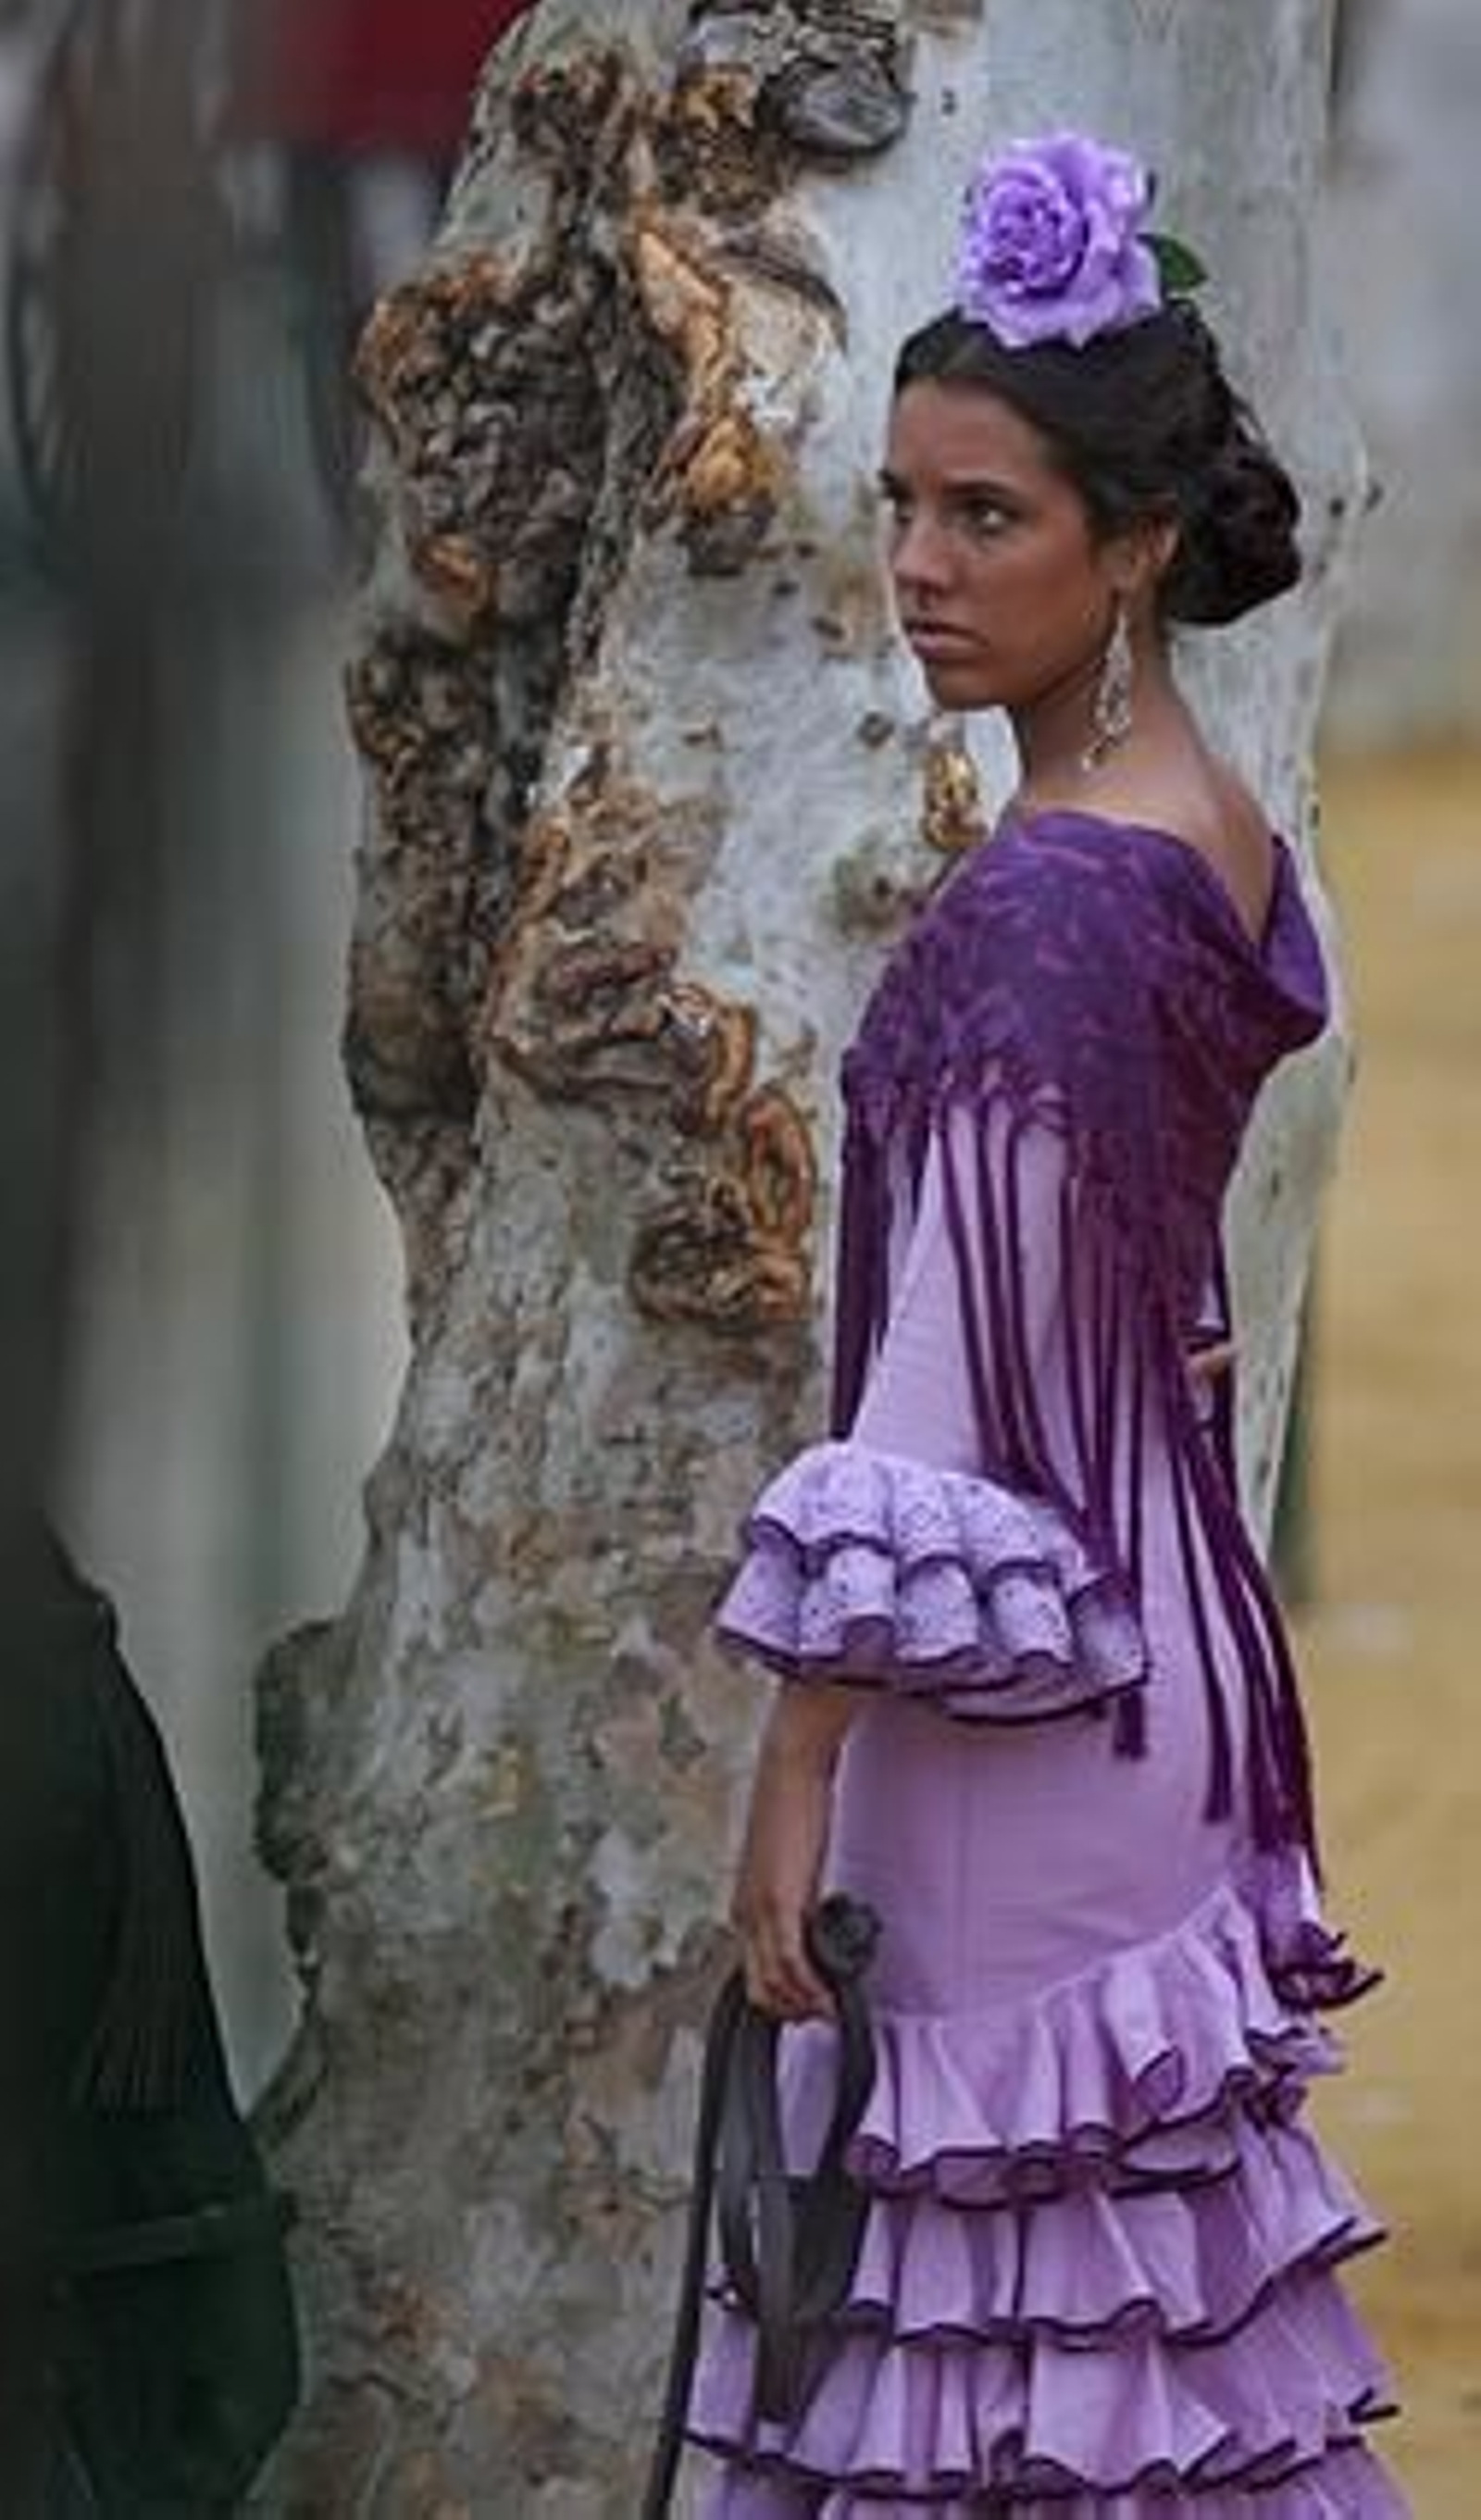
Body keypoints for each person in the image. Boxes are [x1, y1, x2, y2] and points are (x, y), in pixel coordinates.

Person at [687, 133, 1406, 2514]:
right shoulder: (1201, 823)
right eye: (899, 500)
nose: (913, 565)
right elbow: (1113, 1257)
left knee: (985, 2378)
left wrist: (795, 1760)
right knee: (1143, 2367)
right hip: (1156, 1656)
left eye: (985, 516)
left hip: (1010, 1722)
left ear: (1137, 547)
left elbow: (931, 1402)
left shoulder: (1050, 900)